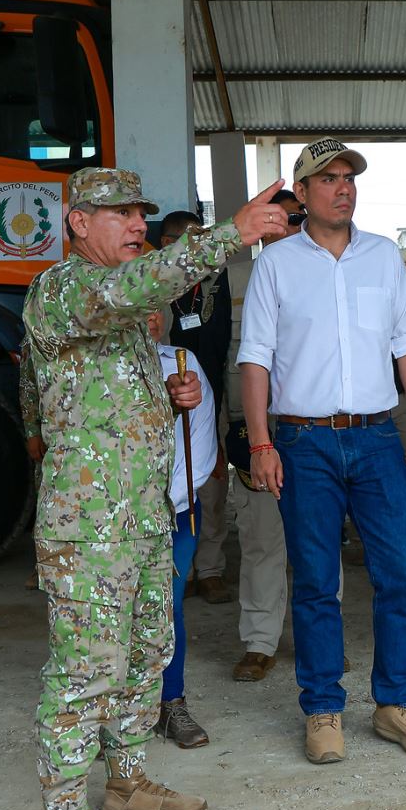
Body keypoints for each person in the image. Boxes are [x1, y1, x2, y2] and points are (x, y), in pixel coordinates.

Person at [23, 165, 289, 810]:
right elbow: (138, 286)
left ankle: (126, 782)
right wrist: (230, 234)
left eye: (140, 212)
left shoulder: (124, 315)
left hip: (143, 516)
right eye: (121, 213)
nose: (138, 223)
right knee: (87, 667)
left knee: (146, 656)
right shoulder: (64, 288)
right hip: (88, 528)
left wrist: (168, 398)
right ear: (80, 223)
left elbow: (97, 396)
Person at [239, 137, 406, 765]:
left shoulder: (383, 255)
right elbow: (255, 359)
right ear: (301, 193)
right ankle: (323, 708)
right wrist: (260, 442)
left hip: (377, 436)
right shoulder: (276, 264)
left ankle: (396, 703)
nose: (343, 188)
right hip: (303, 440)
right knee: (315, 581)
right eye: (328, 179)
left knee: (401, 572)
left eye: (349, 178)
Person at [225, 189, 304, 682]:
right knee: (259, 542)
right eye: (273, 218)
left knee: (317, 542)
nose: (284, 227)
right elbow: (216, 356)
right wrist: (226, 436)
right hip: (255, 434)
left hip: (312, 431)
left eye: (294, 218)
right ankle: (259, 642)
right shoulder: (232, 279)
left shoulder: (329, 275)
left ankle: (321, 638)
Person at [159, 209, 235, 607]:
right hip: (161, 398)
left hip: (209, 396)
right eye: (189, 241)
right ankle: (179, 571)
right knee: (169, 484)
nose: (197, 250)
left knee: (211, 485)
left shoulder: (217, 284)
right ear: (167, 245)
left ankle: (210, 569)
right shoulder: (151, 286)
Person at [150, 311, 216, 749]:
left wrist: (166, 502)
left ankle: (170, 702)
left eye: (159, 305)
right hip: (112, 516)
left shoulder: (181, 362)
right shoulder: (98, 364)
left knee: (168, 608)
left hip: (172, 510)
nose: (152, 315)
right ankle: (113, 716)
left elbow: (200, 439)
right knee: (112, 616)